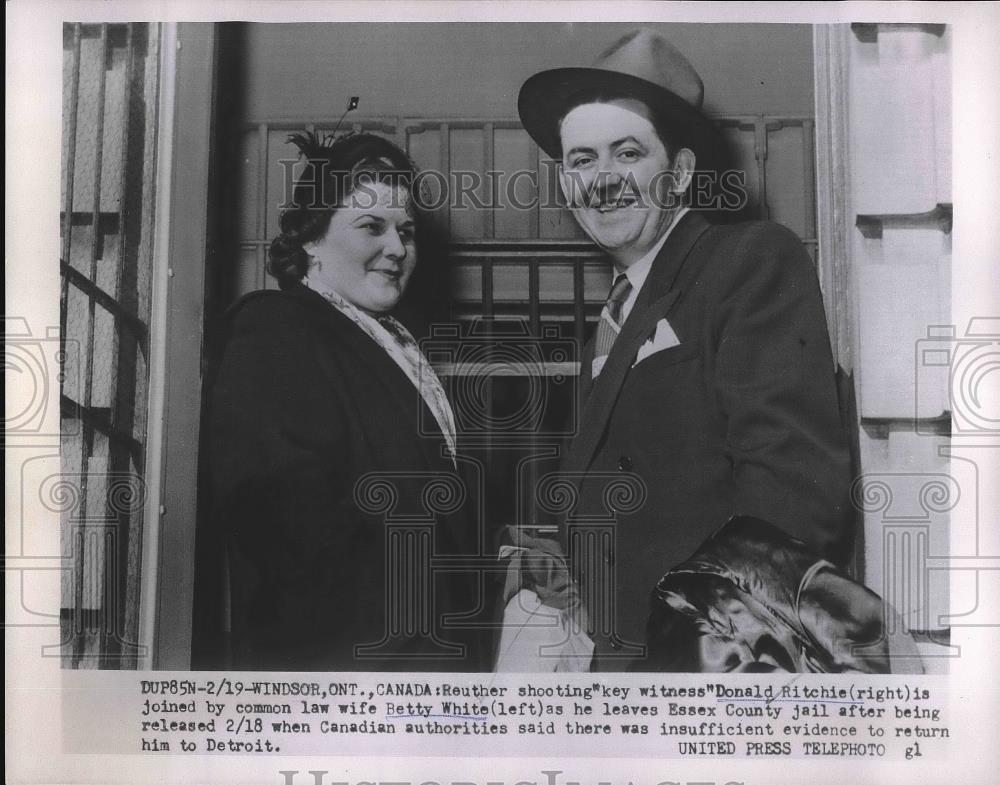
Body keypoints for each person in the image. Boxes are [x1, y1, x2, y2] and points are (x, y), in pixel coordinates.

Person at [517, 29, 854, 669]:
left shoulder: (746, 260)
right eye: (581, 160)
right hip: (612, 656)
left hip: (700, 668)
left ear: (681, 172)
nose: (603, 180)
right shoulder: (619, 309)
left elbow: (791, 496)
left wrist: (702, 661)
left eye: (627, 153)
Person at [204, 132, 490, 671]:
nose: (398, 248)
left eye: (405, 231)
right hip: (349, 670)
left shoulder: (395, 348)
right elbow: (280, 521)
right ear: (311, 239)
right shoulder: (276, 324)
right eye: (371, 227)